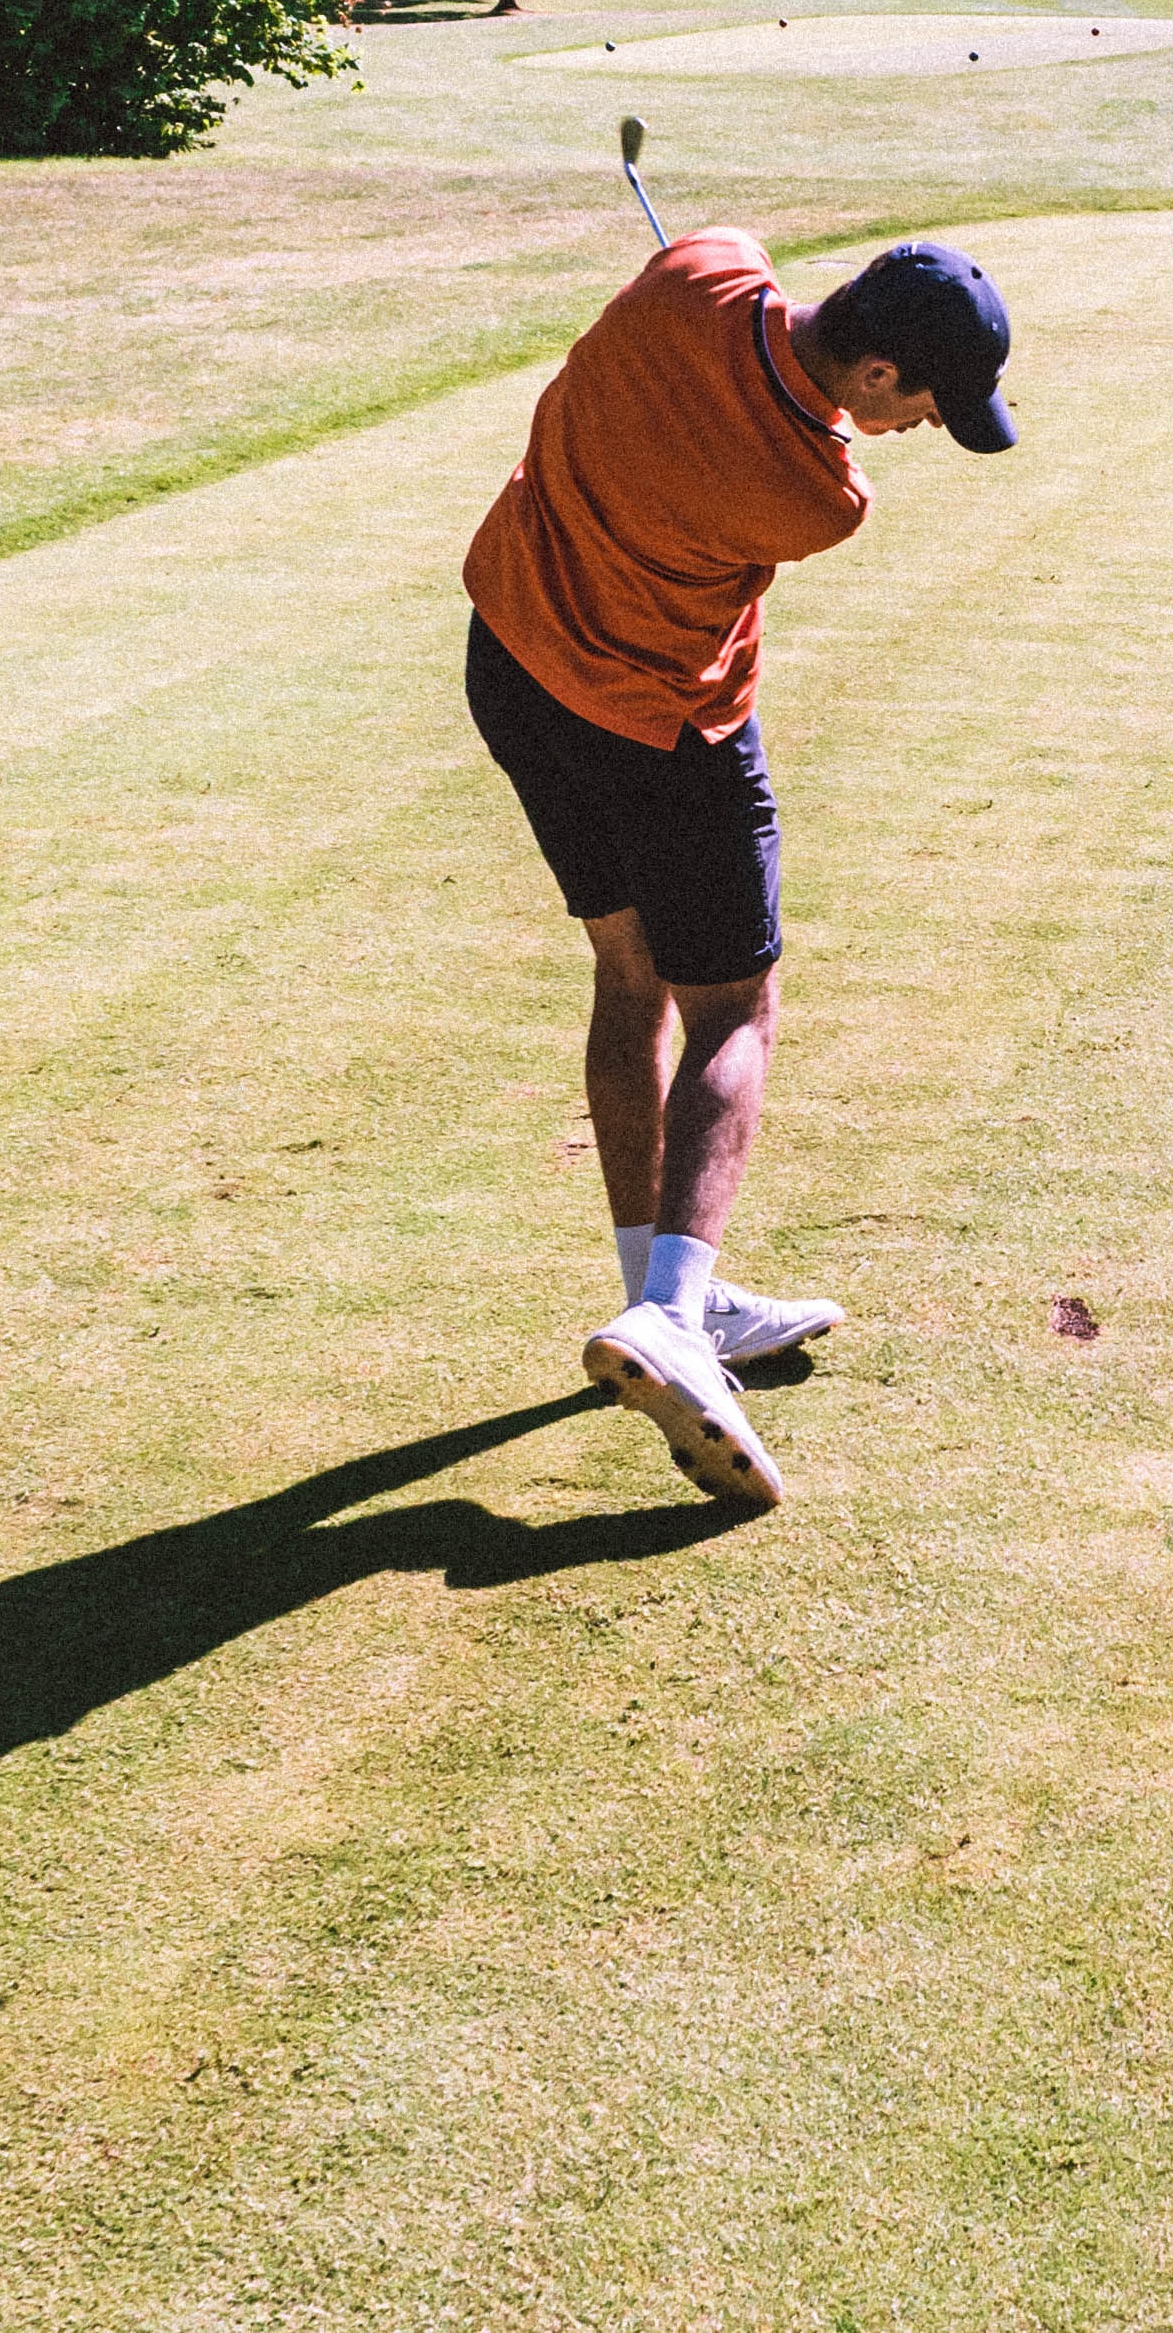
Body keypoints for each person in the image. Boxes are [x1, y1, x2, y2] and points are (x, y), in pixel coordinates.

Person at [463, 227, 1019, 1506]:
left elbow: (731, 296)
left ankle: (667, 1297)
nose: (933, 424)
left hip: (514, 663)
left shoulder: (695, 269)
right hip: (661, 725)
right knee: (734, 1005)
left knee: (627, 971)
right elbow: (778, 433)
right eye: (930, 400)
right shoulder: (822, 498)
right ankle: (669, 1317)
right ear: (875, 375)